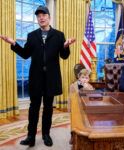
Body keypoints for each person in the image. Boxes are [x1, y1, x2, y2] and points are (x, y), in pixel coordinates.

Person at [0, 5, 75, 147]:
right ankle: (31, 136)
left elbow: (64, 57)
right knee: (33, 108)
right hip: (36, 78)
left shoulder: (59, 35)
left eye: (43, 15)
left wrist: (65, 46)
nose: (41, 17)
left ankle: (46, 134)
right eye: (38, 16)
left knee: (48, 108)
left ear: (49, 17)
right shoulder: (32, 35)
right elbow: (25, 54)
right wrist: (14, 43)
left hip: (51, 78)